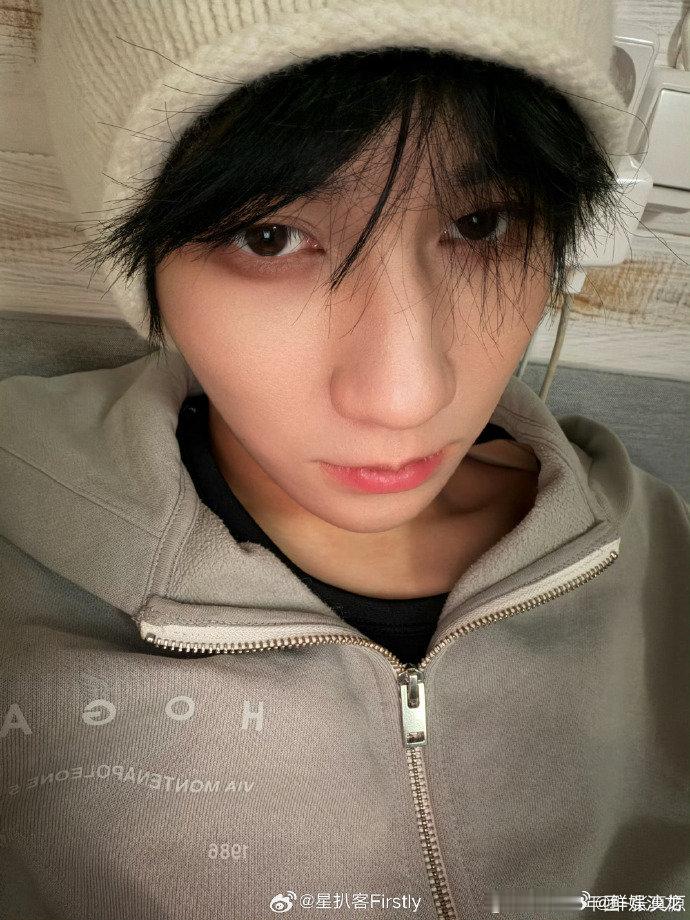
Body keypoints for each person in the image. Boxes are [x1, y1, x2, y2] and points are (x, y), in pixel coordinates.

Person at [0, 2, 688, 918]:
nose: (405, 396)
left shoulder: (666, 561)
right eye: (271, 236)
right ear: (145, 260)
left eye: (482, 224)